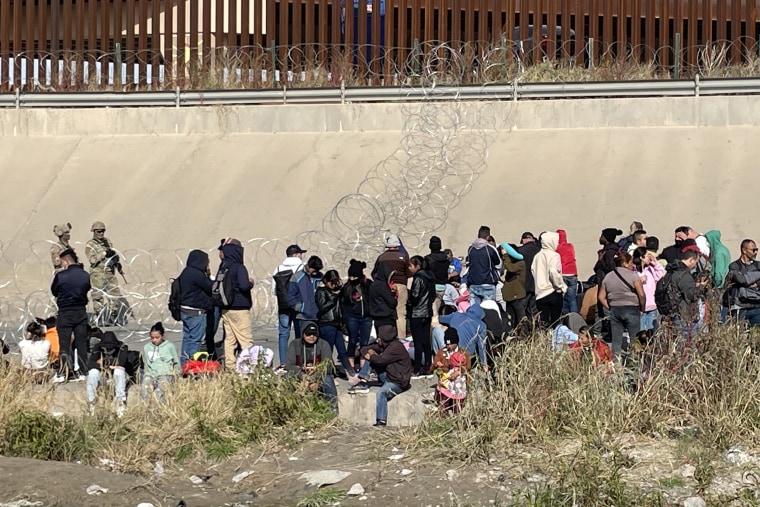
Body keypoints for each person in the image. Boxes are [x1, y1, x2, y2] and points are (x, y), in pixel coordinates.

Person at [348, 324, 413, 428]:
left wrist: (372, 354)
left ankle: (381, 421)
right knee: (372, 358)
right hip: (390, 376)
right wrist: (369, 353)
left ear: (384, 338)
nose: (378, 339)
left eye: (380, 337)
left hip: (399, 382)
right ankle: (363, 381)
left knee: (381, 393)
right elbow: (364, 349)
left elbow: (380, 360)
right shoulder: (385, 345)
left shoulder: (395, 348)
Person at [51, 249, 91, 383]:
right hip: (80, 312)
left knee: (64, 344)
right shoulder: (85, 275)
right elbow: (87, 288)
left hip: (65, 313)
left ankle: (62, 373)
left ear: (66, 261)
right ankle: (83, 372)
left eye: (62, 262)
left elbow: (54, 291)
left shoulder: (61, 276)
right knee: (81, 343)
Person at [597, 253, 646, 361]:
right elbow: (641, 295)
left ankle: (616, 365)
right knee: (635, 339)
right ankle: (635, 364)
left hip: (615, 309)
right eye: (630, 262)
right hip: (632, 308)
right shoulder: (633, 275)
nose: (632, 265)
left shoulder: (608, 276)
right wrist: (642, 308)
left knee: (616, 340)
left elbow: (601, 297)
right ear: (624, 263)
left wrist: (610, 307)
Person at [218, 239, 255, 369]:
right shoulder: (239, 267)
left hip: (226, 308)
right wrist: (251, 283)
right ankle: (248, 367)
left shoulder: (223, 266)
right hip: (239, 308)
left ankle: (230, 366)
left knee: (230, 339)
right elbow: (244, 286)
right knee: (246, 340)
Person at [285, 322, 338, 412]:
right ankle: (286, 408)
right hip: (300, 376)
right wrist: (303, 377)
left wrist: (313, 379)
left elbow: (327, 366)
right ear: (303, 334)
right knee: (286, 377)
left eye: (314, 334)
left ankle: (332, 408)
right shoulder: (294, 344)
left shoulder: (324, 345)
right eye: (308, 334)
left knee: (328, 379)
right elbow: (289, 365)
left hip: (318, 377)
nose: (312, 336)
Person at [272, 244, 307, 369]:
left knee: (283, 334)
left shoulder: (278, 268)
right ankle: (299, 361)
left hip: (283, 306)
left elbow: (274, 290)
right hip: (297, 305)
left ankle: (283, 362)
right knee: (299, 333)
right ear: (297, 254)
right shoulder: (301, 267)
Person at [176, 250, 213, 366]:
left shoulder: (186, 272)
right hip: (195, 311)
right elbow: (210, 287)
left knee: (187, 338)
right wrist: (208, 274)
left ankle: (184, 363)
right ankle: (190, 365)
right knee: (196, 340)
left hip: (184, 310)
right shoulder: (197, 274)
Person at [85, 221, 125, 327]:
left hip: (109, 272)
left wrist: (117, 263)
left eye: (103, 231)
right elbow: (92, 260)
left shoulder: (108, 242)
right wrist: (103, 254)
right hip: (98, 273)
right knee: (98, 296)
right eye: (99, 231)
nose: (101, 233)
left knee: (115, 294)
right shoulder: (90, 244)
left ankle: (112, 316)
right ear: (94, 231)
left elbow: (113, 255)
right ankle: (101, 317)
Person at [315, 269, 352, 377]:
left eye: (335, 282)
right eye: (331, 282)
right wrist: (334, 297)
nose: (333, 285)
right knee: (328, 350)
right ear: (326, 281)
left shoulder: (337, 291)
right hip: (327, 323)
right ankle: (326, 373)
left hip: (337, 324)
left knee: (342, 350)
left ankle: (350, 372)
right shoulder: (321, 291)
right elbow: (322, 307)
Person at [372, 234, 410, 338]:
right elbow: (409, 272)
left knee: (388, 313)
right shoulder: (403, 257)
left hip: (386, 286)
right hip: (401, 285)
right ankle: (401, 337)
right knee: (401, 313)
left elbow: (374, 273)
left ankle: (387, 337)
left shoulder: (381, 257)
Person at [86, 331, 131, 417]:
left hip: (118, 377)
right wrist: (110, 366)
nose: (109, 350)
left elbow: (121, 364)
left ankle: (120, 402)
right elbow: (91, 364)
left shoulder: (122, 348)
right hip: (105, 377)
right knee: (92, 373)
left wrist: (103, 364)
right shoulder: (97, 348)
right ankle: (92, 403)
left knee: (118, 371)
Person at [340, 259, 373, 372]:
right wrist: (346, 317)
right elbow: (344, 303)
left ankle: (363, 367)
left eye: (354, 277)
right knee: (352, 340)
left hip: (366, 317)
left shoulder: (368, 285)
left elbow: (373, 299)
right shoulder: (347, 287)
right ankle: (351, 366)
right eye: (350, 276)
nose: (351, 279)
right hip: (352, 317)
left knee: (364, 342)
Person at [532, 231, 567, 329]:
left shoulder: (537, 256)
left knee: (543, 323)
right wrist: (560, 286)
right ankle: (554, 342)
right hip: (553, 291)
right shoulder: (554, 255)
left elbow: (533, 271)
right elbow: (554, 272)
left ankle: (544, 342)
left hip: (540, 293)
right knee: (555, 322)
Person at [407, 255, 435, 377]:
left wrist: (409, 300)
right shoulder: (430, 277)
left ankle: (417, 368)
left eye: (411, 266)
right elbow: (433, 296)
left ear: (417, 266)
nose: (409, 268)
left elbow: (415, 296)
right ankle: (428, 366)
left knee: (417, 341)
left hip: (417, 313)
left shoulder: (418, 278)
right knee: (426, 341)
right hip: (427, 312)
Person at [287, 255, 324, 345]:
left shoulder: (320, 277)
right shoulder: (297, 277)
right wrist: (302, 308)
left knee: (317, 344)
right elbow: (291, 297)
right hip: (303, 317)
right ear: (308, 266)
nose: (315, 273)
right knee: (301, 343)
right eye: (314, 270)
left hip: (318, 316)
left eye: (317, 271)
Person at [437, 305, 488, 369]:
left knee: (437, 331)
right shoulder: (482, 325)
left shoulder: (456, 315)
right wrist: (484, 365)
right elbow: (482, 347)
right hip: (464, 358)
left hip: (450, 353)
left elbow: (441, 319)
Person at [141, 322, 180, 403]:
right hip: (151, 374)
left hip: (165, 374)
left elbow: (176, 362)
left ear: (162, 336)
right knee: (145, 389)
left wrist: (177, 374)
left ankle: (157, 410)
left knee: (159, 393)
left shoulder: (170, 346)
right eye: (152, 338)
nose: (154, 340)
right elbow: (145, 362)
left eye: (157, 337)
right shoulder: (146, 347)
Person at [724, 239, 760, 326]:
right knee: (738, 334)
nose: (755, 252)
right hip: (740, 307)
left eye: (757, 250)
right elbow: (741, 280)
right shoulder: (734, 266)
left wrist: (757, 283)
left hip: (757, 307)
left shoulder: (758, 265)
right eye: (753, 250)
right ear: (744, 250)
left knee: (756, 335)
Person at [466, 226, 502, 305]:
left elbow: (468, 264)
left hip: (473, 284)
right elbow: (499, 265)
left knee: (474, 312)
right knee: (488, 312)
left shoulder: (470, 249)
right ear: (488, 237)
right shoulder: (490, 249)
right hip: (488, 283)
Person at [633, 247, 666, 331]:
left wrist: (655, 263)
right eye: (648, 255)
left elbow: (661, 274)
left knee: (651, 331)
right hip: (640, 307)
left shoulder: (650, 269)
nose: (650, 257)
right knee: (640, 331)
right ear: (641, 257)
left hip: (652, 306)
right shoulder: (634, 271)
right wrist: (639, 281)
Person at [500, 243, 528, 333]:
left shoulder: (520, 263)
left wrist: (505, 255)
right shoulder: (512, 262)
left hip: (517, 296)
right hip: (510, 296)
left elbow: (510, 268)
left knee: (521, 318)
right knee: (511, 319)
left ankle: (523, 336)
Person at [425, 236, 449, 322]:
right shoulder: (445, 259)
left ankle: (434, 332)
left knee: (433, 313)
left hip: (432, 287)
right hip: (442, 287)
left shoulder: (428, 259)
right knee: (437, 310)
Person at [517, 232, 541, 319]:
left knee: (522, 309)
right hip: (537, 283)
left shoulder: (520, 251)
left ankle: (523, 328)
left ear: (523, 239)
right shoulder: (540, 250)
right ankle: (534, 328)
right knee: (534, 310)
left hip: (524, 284)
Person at [369, 262, 398, 332]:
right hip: (386, 319)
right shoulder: (382, 286)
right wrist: (393, 295)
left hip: (378, 318)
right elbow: (392, 302)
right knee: (389, 340)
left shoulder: (374, 284)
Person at [437, 351, 467, 415]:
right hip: (461, 391)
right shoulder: (462, 370)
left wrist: (446, 377)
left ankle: (444, 413)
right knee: (457, 407)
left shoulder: (455, 371)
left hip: (454, 390)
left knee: (445, 399)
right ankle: (457, 416)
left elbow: (451, 377)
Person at [556, 230, 579, 314]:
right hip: (573, 273)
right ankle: (575, 317)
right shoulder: (570, 246)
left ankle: (564, 317)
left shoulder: (557, 248)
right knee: (572, 298)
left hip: (563, 273)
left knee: (562, 298)